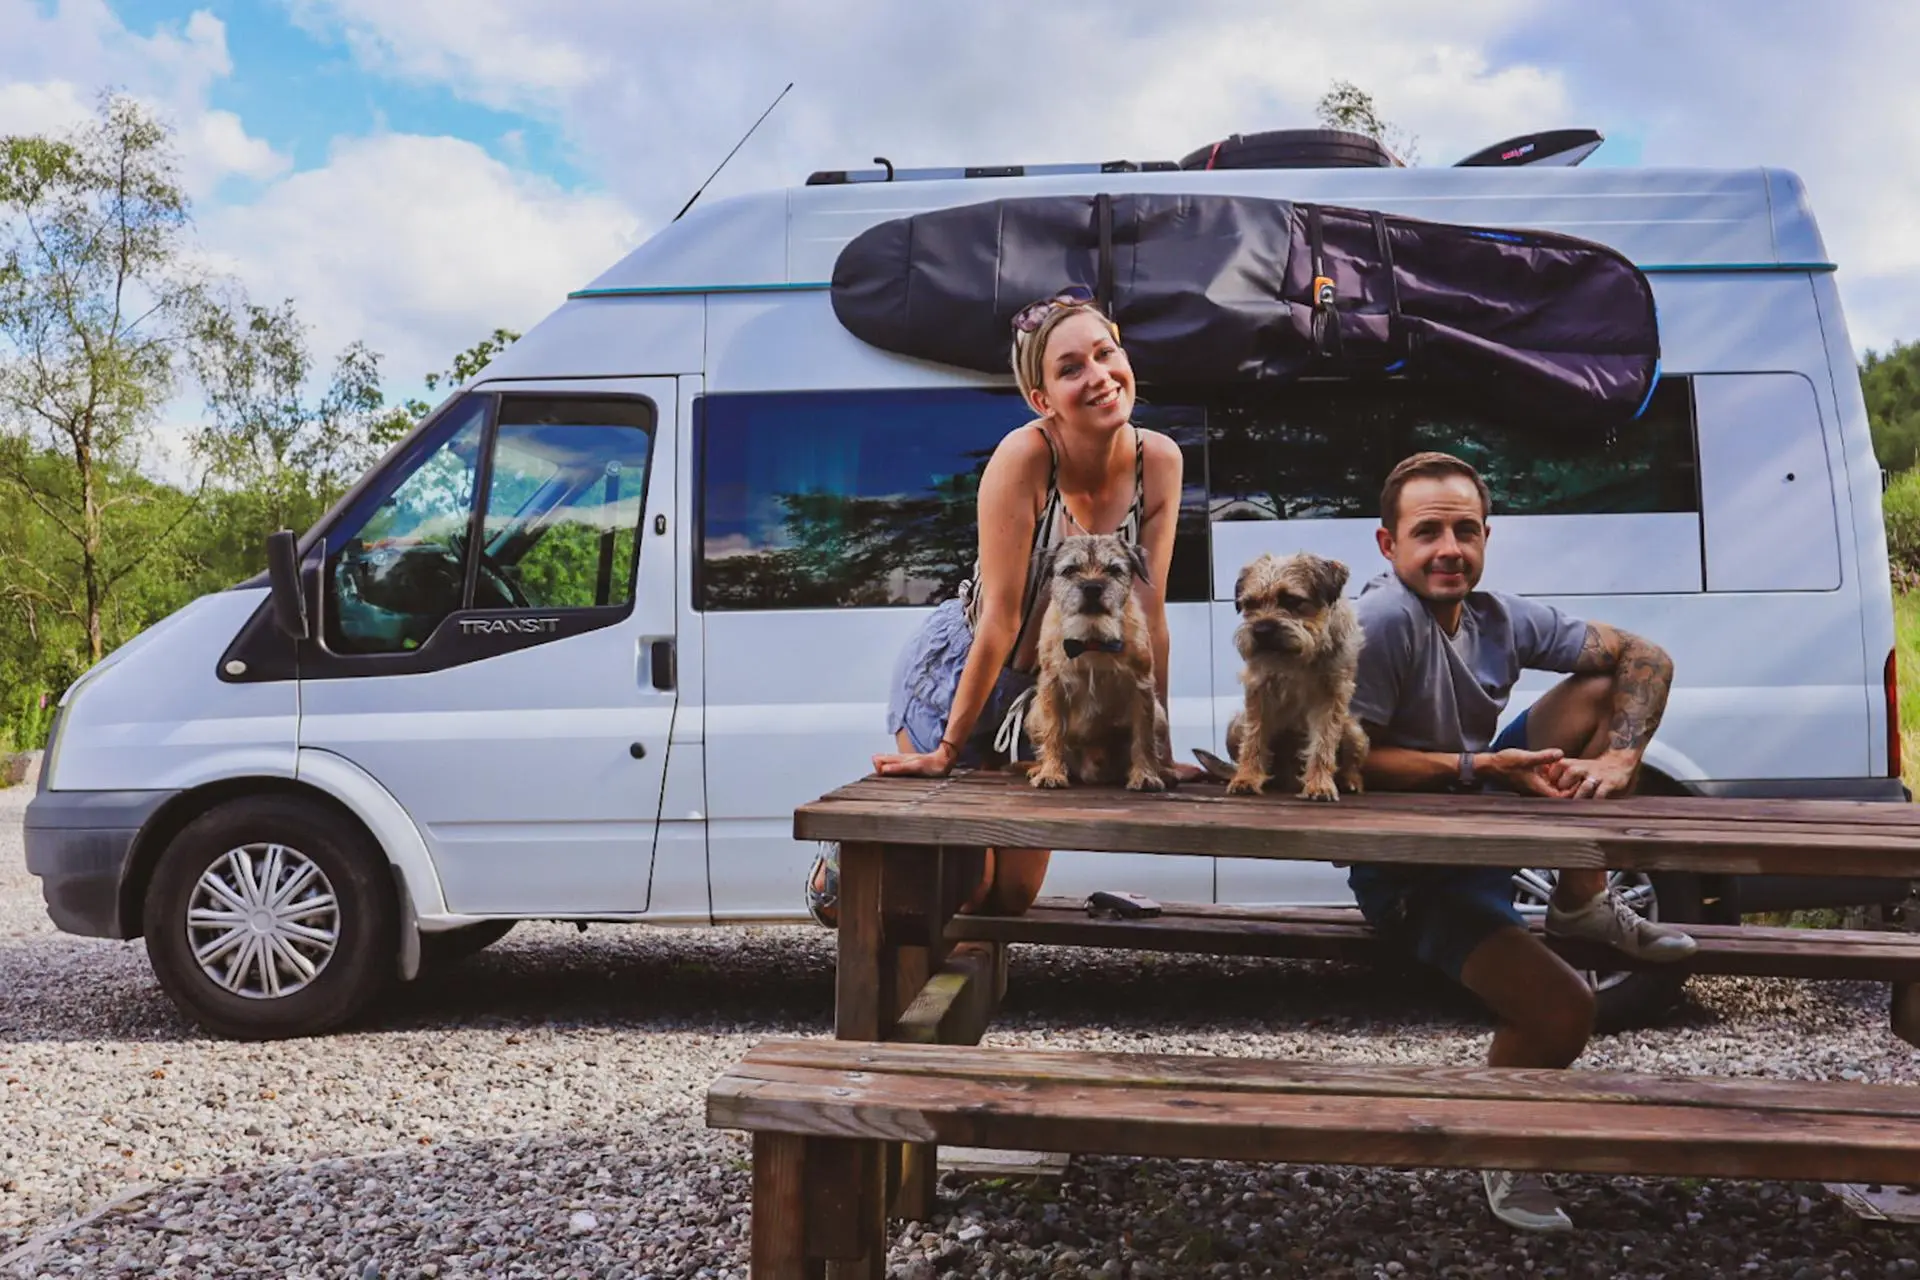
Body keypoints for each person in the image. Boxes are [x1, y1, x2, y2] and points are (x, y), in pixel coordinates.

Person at [1348, 450, 1696, 1234]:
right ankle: (1502, 1149)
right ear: (1387, 545)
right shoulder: (1380, 622)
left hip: (1478, 808)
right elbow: (1343, 761)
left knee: (1606, 690)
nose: (1449, 549)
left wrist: (1618, 758)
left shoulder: (1496, 617)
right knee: (1564, 1011)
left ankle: (1583, 902)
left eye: (1464, 530)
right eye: (1427, 531)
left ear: (1485, 537)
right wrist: (1480, 764)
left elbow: (1648, 657)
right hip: (1410, 868)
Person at [805, 286, 1195, 926]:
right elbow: (1001, 620)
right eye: (1071, 369)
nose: (1098, 377)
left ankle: (950, 1000)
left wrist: (1155, 748)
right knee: (963, 877)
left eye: (1105, 353)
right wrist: (949, 749)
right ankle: (842, 871)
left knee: (1010, 896)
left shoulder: (1160, 462)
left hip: (1048, 687)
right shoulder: (1024, 458)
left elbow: (1148, 617)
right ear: (1042, 399)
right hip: (969, 664)